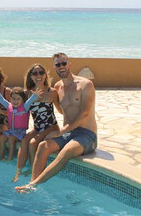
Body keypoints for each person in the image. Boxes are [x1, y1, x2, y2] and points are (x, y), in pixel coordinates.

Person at [15, 53, 97, 193]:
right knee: (42, 146)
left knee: (66, 151)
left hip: (86, 134)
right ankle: (31, 183)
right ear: (54, 67)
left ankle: (33, 185)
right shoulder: (57, 88)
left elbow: (84, 114)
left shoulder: (85, 84)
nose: (61, 66)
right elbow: (59, 109)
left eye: (64, 63)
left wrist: (61, 130)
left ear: (69, 64)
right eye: (58, 65)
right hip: (70, 132)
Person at [13, 64, 61, 182]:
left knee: (33, 143)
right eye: (35, 73)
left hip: (51, 127)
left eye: (41, 72)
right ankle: (18, 172)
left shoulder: (52, 92)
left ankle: (35, 173)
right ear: (31, 77)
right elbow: (20, 111)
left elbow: (61, 110)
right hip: (37, 128)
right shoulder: (27, 94)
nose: (38, 75)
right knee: (24, 140)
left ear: (45, 75)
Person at [0, 85, 43, 162]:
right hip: (11, 130)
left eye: (18, 99)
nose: (15, 101)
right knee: (1, 138)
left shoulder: (25, 107)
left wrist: (34, 96)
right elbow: (2, 100)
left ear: (22, 100)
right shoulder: (9, 106)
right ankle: (1, 156)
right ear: (10, 98)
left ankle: (10, 157)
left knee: (11, 139)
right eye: (13, 99)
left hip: (20, 132)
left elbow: (30, 101)